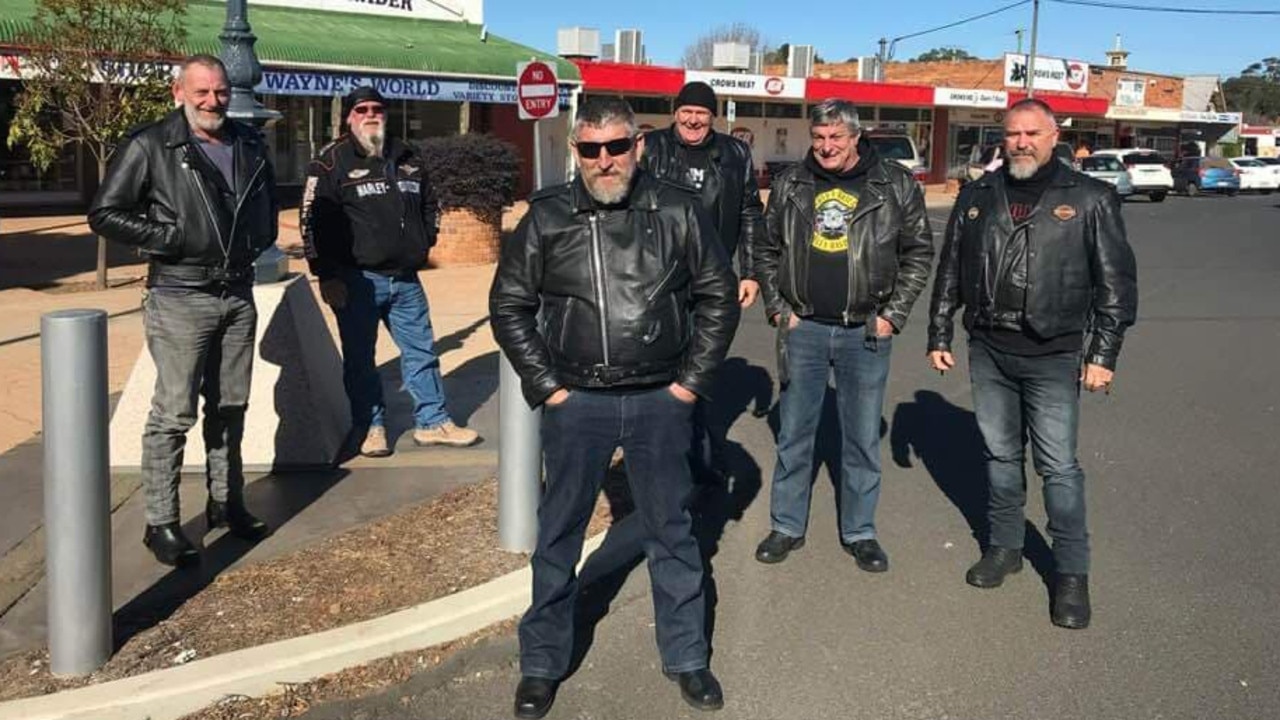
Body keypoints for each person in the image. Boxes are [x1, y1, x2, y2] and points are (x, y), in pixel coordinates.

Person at [490, 97, 739, 718]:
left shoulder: (679, 210)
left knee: (673, 534)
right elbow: (509, 305)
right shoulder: (547, 217)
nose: (605, 161)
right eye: (590, 149)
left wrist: (689, 386)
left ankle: (687, 657)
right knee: (557, 536)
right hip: (577, 403)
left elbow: (717, 299)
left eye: (616, 146)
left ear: (639, 146)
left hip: (660, 400)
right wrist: (548, 387)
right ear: (576, 151)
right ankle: (543, 662)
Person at [927, 98, 1138, 630]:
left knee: (1058, 468)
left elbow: (1117, 285)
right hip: (989, 349)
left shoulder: (1091, 198)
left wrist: (1103, 353)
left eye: (1032, 133)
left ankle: (1071, 573)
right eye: (1013, 134)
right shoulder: (977, 196)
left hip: (1054, 352)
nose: (1022, 142)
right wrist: (938, 331)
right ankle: (1005, 549)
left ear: (1054, 135)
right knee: (1000, 459)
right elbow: (950, 266)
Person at [88, 54, 277, 567]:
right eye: (202, 93)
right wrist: (171, 239)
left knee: (230, 407)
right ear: (179, 93)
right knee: (173, 415)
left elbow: (260, 208)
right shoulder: (151, 144)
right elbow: (105, 213)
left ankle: (226, 501)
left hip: (237, 293)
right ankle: (162, 521)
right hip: (179, 293)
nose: (213, 101)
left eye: (218, 92)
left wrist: (262, 240)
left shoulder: (248, 141)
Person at [753, 99, 935, 570]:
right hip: (804, 326)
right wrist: (778, 309)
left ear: (856, 137)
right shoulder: (792, 182)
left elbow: (918, 251)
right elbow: (765, 248)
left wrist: (892, 314)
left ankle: (860, 532)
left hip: (865, 330)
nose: (826, 146)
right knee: (795, 434)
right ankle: (786, 526)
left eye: (836, 136)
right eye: (818, 137)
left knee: (860, 438)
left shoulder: (893, 183)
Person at [300, 86, 478, 457]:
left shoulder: (407, 154)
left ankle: (433, 422)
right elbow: (311, 221)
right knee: (361, 359)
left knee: (422, 352)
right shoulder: (331, 162)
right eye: (361, 109)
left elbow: (431, 201)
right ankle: (372, 427)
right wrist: (326, 274)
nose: (370, 114)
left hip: (406, 279)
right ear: (348, 117)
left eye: (377, 108)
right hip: (356, 280)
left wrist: (426, 238)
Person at [640, 80, 765, 480]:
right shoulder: (651, 148)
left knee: (700, 366)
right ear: (675, 112)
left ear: (713, 117)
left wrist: (750, 271)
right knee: (660, 364)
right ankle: (666, 455)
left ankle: (700, 457)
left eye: (702, 113)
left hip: (712, 276)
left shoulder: (734, 153)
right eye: (687, 111)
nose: (693, 120)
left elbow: (749, 211)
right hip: (657, 278)